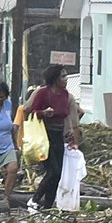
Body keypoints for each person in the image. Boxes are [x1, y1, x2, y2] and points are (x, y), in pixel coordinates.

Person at [26, 65, 81, 211]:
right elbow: (32, 112)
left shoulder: (65, 95)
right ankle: (34, 199)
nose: (66, 79)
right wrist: (44, 113)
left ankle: (47, 208)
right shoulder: (43, 93)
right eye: (63, 77)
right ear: (55, 79)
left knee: (58, 175)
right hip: (45, 136)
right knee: (53, 171)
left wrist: (71, 134)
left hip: (58, 135)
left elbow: (67, 116)